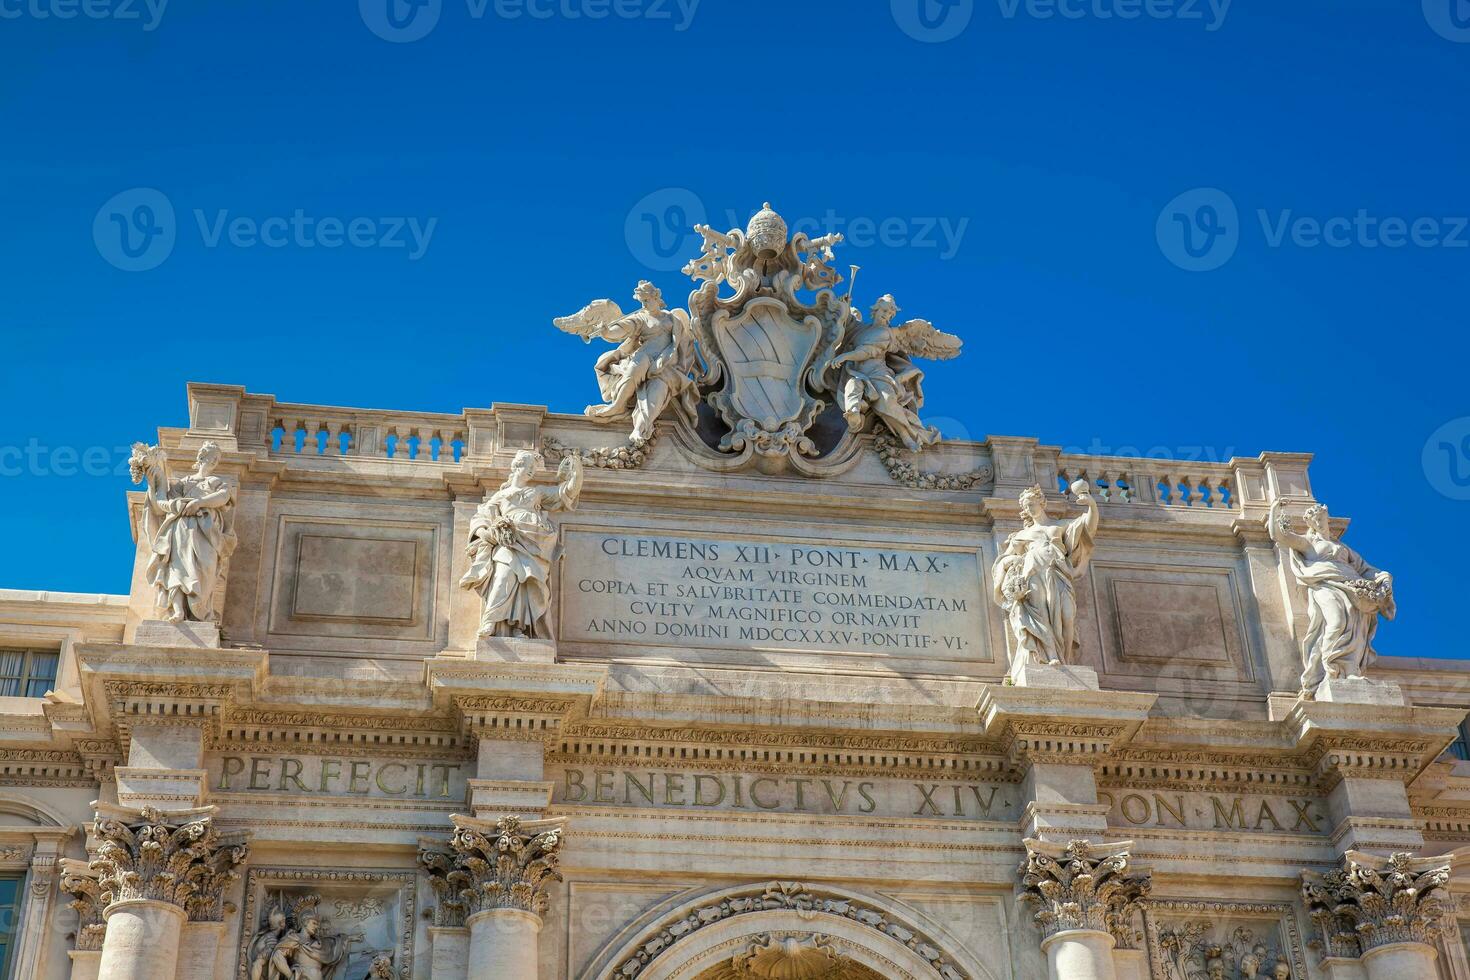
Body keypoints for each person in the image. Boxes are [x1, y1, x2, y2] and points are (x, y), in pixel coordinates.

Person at [1268, 499, 1394, 697]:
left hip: (1353, 587)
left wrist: (1383, 577)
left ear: (1326, 520)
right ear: (1310, 524)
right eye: (1314, 520)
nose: (1318, 523)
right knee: (1336, 622)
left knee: (1353, 622)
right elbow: (1279, 535)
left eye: (1321, 519)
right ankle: (1333, 671)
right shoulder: (1308, 543)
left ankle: (1349, 671)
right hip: (1325, 585)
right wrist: (1275, 509)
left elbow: (1365, 569)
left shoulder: (1342, 547)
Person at [460, 450, 583, 638]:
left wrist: (576, 471)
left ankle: (520, 627)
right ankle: (490, 622)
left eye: (534, 468)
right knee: (503, 577)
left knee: (528, 584)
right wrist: (487, 534)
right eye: (529, 467)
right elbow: (480, 518)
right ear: (517, 466)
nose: (533, 471)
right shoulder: (501, 496)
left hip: (535, 542)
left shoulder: (537, 492)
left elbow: (565, 493)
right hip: (509, 542)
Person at [992, 482, 1100, 666]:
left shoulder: (1059, 526)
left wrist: (1092, 505)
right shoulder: (1021, 535)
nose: (1029, 508)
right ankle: (1052, 656)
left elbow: (1088, 528)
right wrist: (1013, 562)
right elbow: (1002, 561)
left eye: (1031, 503)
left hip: (1058, 574)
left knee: (1067, 617)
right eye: (1026, 506)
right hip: (1033, 574)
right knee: (1040, 615)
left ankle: (1065, 657)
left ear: (1041, 502)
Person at [131, 440, 237, 623]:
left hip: (206, 530)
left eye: (217, 459)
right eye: (212, 457)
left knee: (205, 568)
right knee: (178, 567)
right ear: (202, 457)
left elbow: (223, 497)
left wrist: (199, 503)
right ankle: (178, 610)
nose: (214, 461)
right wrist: (154, 478)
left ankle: (200, 612)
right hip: (181, 528)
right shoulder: (183, 483)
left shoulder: (218, 482)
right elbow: (162, 504)